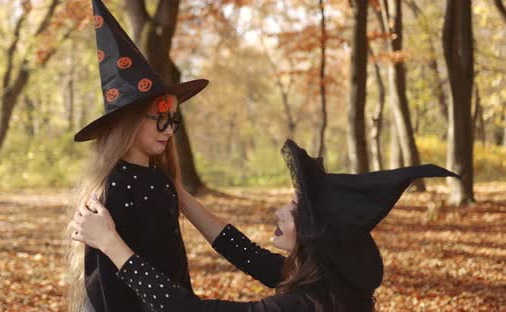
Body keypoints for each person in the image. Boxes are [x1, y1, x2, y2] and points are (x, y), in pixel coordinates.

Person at [70, 139, 460, 312]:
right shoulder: (324, 277)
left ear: (311, 230)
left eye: (291, 209)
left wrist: (111, 244)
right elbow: (241, 250)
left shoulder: (302, 304)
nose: (278, 211)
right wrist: (181, 196)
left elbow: (186, 310)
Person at [65, 0, 208, 311]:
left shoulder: (160, 182)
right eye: (160, 118)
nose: (169, 129)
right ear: (128, 121)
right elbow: (104, 276)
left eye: (173, 120)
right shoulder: (116, 185)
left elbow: (173, 266)